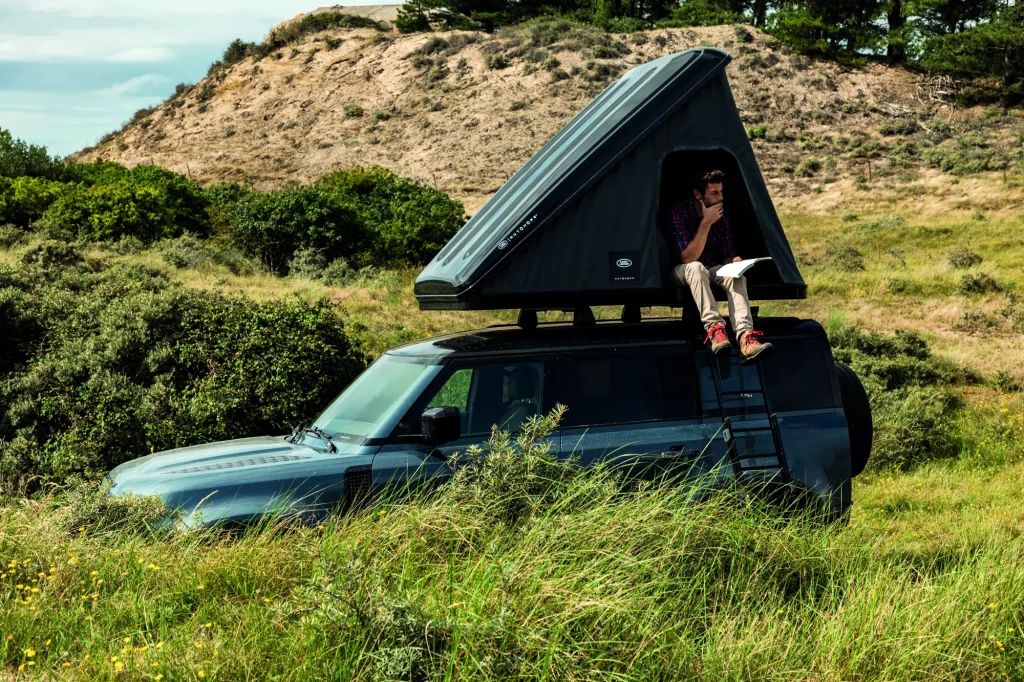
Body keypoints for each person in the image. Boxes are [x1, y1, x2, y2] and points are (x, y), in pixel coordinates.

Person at [669, 170, 773, 363]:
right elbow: (688, 258)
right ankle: (715, 331)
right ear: (698, 195)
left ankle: (746, 338)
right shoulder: (680, 213)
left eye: (721, 192)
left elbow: (727, 253)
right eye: (714, 193)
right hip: (682, 270)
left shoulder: (721, 215)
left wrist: (734, 261)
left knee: (735, 275)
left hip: (710, 268)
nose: (721, 197)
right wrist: (707, 222)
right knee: (696, 268)